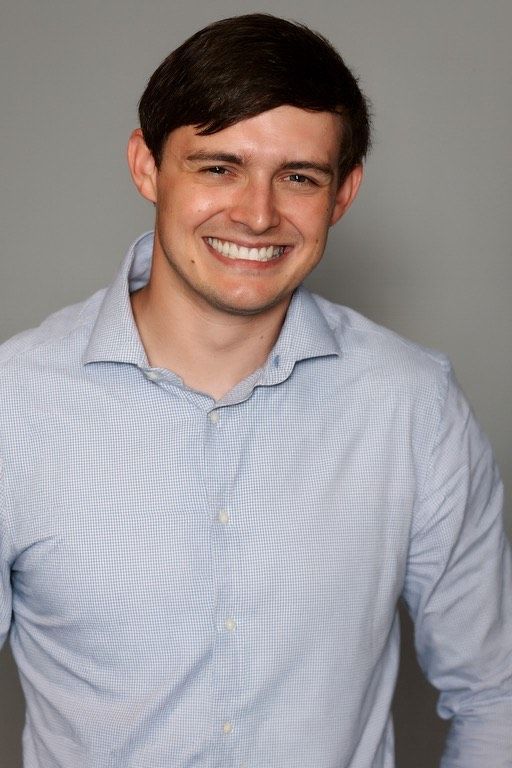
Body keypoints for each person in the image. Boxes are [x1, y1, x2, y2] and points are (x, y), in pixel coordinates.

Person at [0, 12, 510, 768]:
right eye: (218, 167)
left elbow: (495, 694)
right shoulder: (13, 406)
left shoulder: (412, 406)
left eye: (299, 177)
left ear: (342, 194)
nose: (258, 213)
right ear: (147, 167)